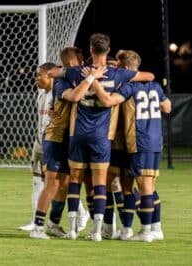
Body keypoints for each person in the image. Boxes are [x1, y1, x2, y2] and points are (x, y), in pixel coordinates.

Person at [61, 33, 155, 241]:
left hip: (78, 133)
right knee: (101, 182)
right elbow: (148, 76)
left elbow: (53, 72)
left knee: (75, 180)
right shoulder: (117, 74)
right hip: (103, 136)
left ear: (91, 50)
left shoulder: (78, 72)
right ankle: (97, 232)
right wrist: (121, 72)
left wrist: (85, 75)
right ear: (108, 50)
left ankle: (73, 230)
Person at [92, 50, 171, 242]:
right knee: (146, 185)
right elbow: (167, 107)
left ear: (126, 68)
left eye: (119, 67)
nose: (116, 69)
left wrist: (92, 81)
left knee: (143, 187)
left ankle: (145, 232)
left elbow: (109, 101)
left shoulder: (129, 87)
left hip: (138, 141)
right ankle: (153, 228)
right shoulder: (155, 85)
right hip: (155, 140)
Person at [30, 49, 108, 239]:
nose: (79, 66)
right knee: (52, 184)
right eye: (75, 63)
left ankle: (53, 224)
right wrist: (91, 78)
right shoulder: (61, 81)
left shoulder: (69, 78)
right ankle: (37, 228)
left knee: (64, 184)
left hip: (68, 139)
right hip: (56, 138)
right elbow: (74, 97)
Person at [19, 62, 55, 231]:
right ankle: (35, 219)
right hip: (39, 143)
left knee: (56, 183)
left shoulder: (58, 95)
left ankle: (81, 213)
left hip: (53, 144)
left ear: (50, 76)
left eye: (39, 75)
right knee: (36, 181)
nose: (36, 78)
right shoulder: (41, 95)